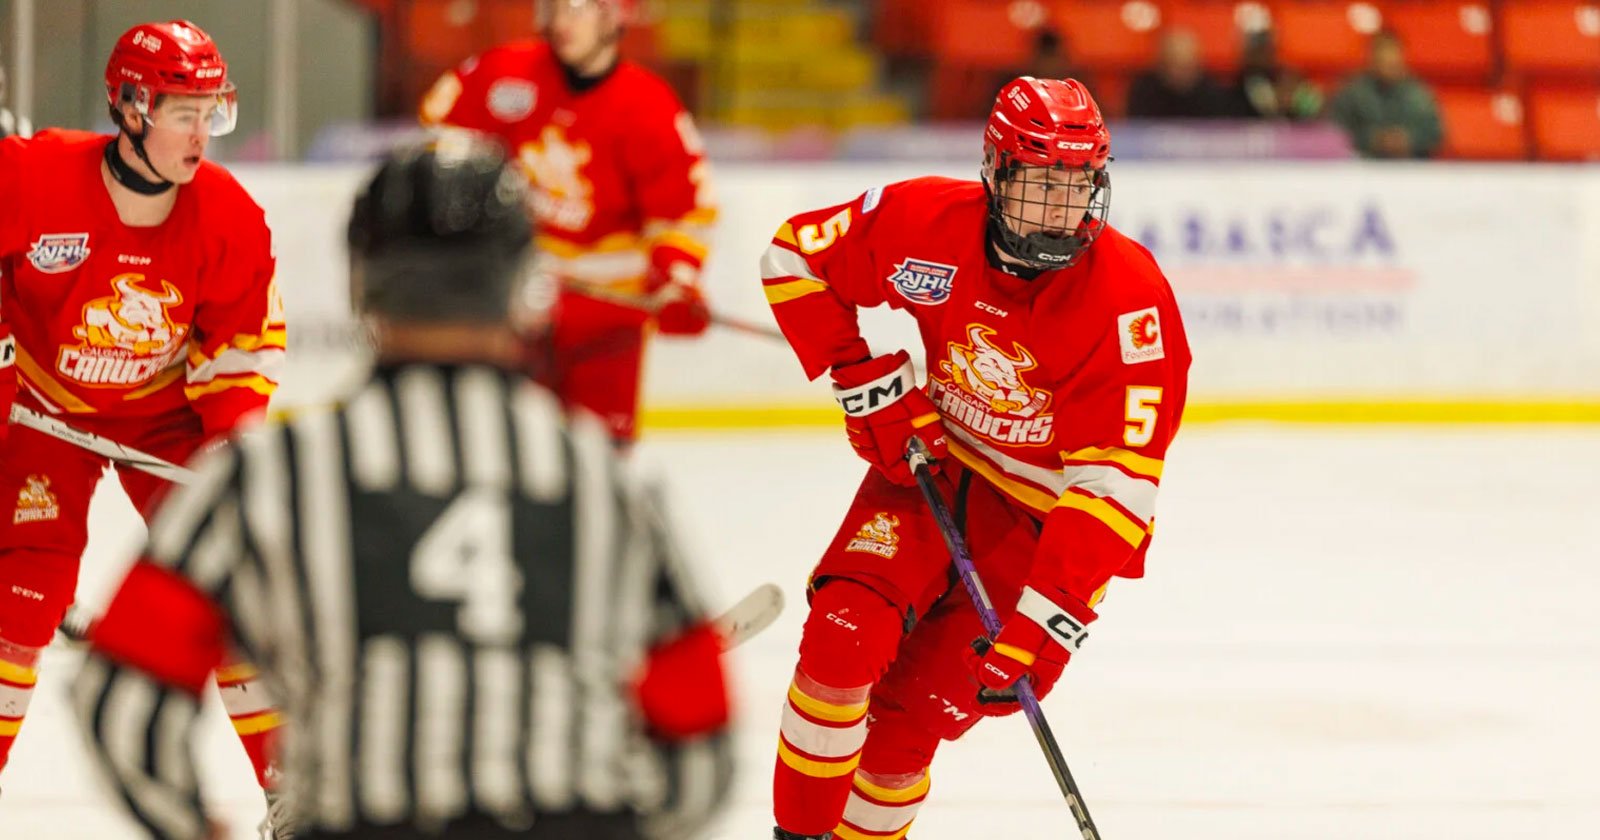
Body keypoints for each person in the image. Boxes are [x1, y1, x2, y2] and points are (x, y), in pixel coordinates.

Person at [73, 134, 735, 840]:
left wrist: (197, 829)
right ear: (521, 285)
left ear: (361, 284)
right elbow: (702, 746)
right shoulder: (600, 480)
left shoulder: (268, 475)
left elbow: (123, 702)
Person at [759, 76, 1191, 840]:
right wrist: (860, 376)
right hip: (934, 464)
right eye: (1041, 183)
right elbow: (793, 258)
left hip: (1039, 526)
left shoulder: (1131, 302)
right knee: (839, 642)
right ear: (995, 170)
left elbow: (1116, 489)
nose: (1062, 209)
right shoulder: (924, 221)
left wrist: (1045, 617)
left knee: (902, 736)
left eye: (1079, 184)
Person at [0, 17, 288, 827]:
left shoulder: (228, 215)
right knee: (20, 602)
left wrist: (232, 452)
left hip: (165, 418)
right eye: (183, 112)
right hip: (44, 408)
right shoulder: (32, 175)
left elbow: (242, 343)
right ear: (129, 108)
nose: (203, 135)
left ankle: (292, 790)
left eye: (212, 112)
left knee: (235, 597)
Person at [420, 0, 716, 444]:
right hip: (512, 311)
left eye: (576, 8)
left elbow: (682, 212)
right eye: (553, 8)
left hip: (606, 326)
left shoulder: (649, 107)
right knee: (506, 453)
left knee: (598, 465)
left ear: (617, 16)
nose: (560, 22)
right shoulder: (503, 74)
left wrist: (677, 278)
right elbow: (442, 143)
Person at [1328, 30, 1442, 159]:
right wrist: (1373, 140)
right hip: (1362, 166)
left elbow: (1435, 135)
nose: (1388, 65)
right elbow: (1333, 133)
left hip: (1410, 167)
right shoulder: (1351, 92)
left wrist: (1408, 140)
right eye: (1382, 60)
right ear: (1372, 59)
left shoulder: (1419, 95)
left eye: (1392, 61)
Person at [1126, 28, 1231, 118]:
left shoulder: (1212, 93)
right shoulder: (1144, 91)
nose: (1180, 73)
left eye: (1187, 67)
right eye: (1174, 65)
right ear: (1161, 64)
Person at [1224, 29, 1322, 121]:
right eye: (1257, 50)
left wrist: (1293, 104)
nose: (1262, 56)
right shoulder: (1237, 87)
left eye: (1266, 48)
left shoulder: (1291, 78)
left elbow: (1316, 109)